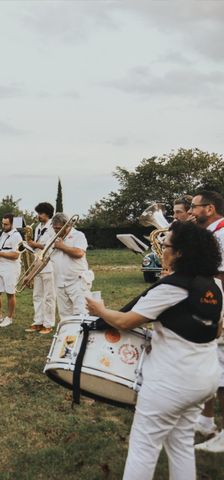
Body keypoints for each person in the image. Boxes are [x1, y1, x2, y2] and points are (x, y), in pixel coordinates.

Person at [87, 221, 223, 479]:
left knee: (144, 448)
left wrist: (100, 310)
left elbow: (127, 321)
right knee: (181, 442)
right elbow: (216, 329)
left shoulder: (171, 287)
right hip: (205, 380)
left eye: (166, 245)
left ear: (180, 252)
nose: (163, 250)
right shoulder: (215, 286)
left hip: (171, 382)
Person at [187, 190, 224, 450]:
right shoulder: (212, 234)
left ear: (209, 209)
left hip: (220, 308)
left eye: (194, 207)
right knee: (212, 365)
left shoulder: (222, 235)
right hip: (212, 306)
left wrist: (218, 313)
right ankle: (206, 420)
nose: (190, 211)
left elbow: (221, 278)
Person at [50, 212, 93, 320]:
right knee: (65, 317)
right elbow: (44, 260)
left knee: (82, 314)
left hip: (77, 282)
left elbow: (79, 253)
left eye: (59, 228)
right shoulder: (53, 238)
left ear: (67, 225)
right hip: (60, 283)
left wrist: (62, 246)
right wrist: (29, 276)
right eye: (55, 228)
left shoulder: (79, 235)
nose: (56, 231)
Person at [25, 202, 57, 334]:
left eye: (41, 213)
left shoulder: (53, 227)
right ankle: (38, 321)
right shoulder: (38, 227)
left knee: (49, 296)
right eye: (38, 213)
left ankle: (48, 324)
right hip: (37, 263)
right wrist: (29, 245)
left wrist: (34, 244)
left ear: (47, 214)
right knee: (37, 295)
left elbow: (50, 246)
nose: (38, 216)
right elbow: (38, 245)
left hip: (49, 264)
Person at [0, 213, 22, 327]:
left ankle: (9, 318)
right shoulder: (2, 234)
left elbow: (16, 255)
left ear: (12, 224)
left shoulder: (17, 236)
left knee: (10, 293)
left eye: (6, 224)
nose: (3, 226)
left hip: (11, 267)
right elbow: (0, 250)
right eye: (3, 223)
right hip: (0, 267)